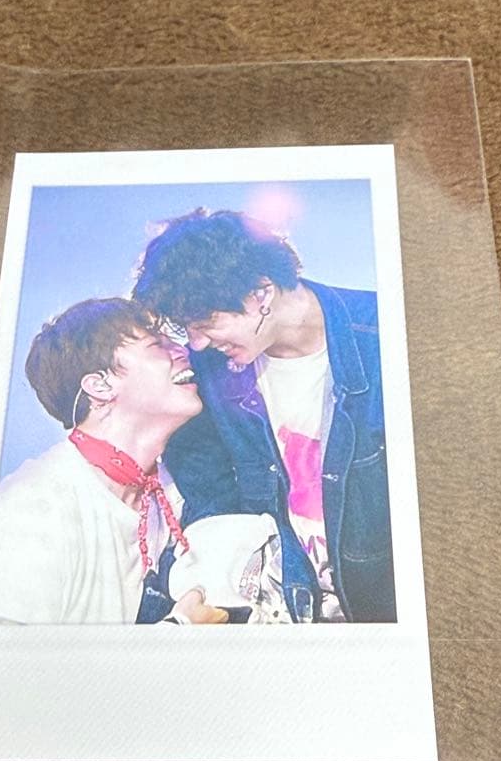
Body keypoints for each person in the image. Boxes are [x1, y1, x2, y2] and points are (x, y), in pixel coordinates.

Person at [133, 209, 396, 623]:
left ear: (262, 292)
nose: (196, 343)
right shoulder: (204, 378)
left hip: (385, 614)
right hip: (284, 617)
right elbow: (211, 501)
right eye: (187, 328)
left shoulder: (388, 335)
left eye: (205, 322)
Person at [0, 297, 230, 625]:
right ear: (100, 385)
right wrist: (178, 632)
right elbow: (0, 655)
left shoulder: (170, 492)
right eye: (157, 344)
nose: (182, 349)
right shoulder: (34, 506)